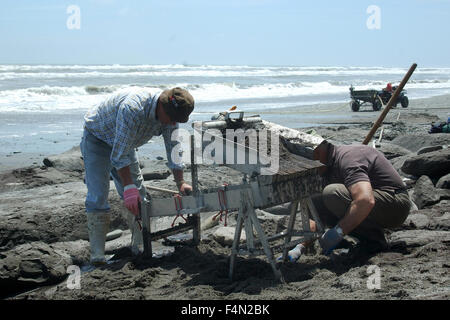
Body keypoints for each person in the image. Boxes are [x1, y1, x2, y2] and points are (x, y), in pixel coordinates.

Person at [80, 87, 194, 265]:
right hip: (98, 137)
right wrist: (128, 187)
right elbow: (119, 155)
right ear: (161, 108)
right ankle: (97, 256)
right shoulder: (132, 109)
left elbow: (174, 149)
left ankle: (140, 248)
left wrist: (181, 182)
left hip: (126, 141)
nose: (173, 124)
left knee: (141, 197)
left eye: (176, 121)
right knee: (98, 194)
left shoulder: (171, 115)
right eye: (172, 119)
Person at [284, 140, 411, 261]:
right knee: (316, 199)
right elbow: (316, 217)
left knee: (332, 193)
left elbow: (365, 200)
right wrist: (300, 246)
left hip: (395, 205)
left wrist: (336, 233)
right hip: (375, 204)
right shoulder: (326, 167)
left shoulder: (348, 158)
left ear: (317, 153)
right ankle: (369, 239)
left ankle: (374, 241)